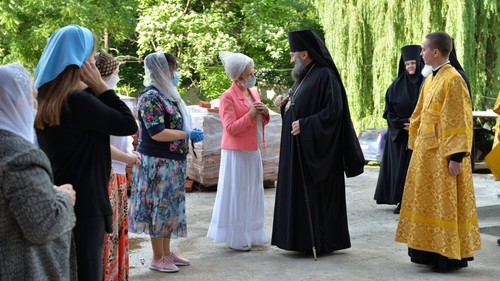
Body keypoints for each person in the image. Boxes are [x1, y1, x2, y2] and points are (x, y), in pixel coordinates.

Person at [34, 25, 138, 281]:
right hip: (87, 203)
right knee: (87, 272)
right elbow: (127, 124)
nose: (92, 62)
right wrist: (103, 87)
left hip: (60, 197)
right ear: (79, 60)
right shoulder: (79, 102)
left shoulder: (47, 97)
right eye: (90, 56)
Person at [271, 29, 364, 255]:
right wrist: (283, 103)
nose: (291, 58)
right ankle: (296, 240)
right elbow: (297, 105)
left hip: (318, 152)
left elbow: (334, 112)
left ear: (305, 54)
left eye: (294, 54)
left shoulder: (325, 75)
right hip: (298, 150)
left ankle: (322, 241)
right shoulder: (304, 77)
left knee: (315, 197)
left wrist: (307, 125)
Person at [395, 31, 481, 272]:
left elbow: (458, 119)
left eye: (423, 50)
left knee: (444, 205)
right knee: (428, 204)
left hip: (443, 156)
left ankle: (448, 256)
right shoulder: (431, 78)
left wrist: (456, 157)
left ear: (435, 52)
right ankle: (429, 253)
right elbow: (420, 112)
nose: (420, 54)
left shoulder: (453, 79)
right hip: (426, 155)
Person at [0, 63, 77, 280]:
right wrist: (63, 197)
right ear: (16, 102)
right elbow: (43, 226)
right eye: (32, 97)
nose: (36, 104)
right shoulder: (21, 156)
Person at [129, 52, 203, 273]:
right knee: (158, 209)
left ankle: (167, 252)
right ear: (162, 70)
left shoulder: (168, 94)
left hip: (173, 161)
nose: (175, 73)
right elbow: (156, 133)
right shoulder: (150, 97)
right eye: (173, 69)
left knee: (170, 209)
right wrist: (185, 134)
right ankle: (157, 256)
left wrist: (186, 133)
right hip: (157, 162)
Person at [207, 51, 270, 251]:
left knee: (253, 191)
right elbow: (231, 128)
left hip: (252, 149)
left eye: (253, 72)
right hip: (236, 152)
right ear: (238, 76)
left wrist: (265, 113)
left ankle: (252, 232)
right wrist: (251, 114)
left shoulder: (253, 92)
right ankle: (236, 236)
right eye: (249, 73)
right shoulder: (227, 96)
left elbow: (259, 120)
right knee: (238, 192)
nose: (253, 76)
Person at [95, 50, 141, 281]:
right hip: (109, 174)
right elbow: (102, 144)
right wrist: (129, 158)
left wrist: (130, 154)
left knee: (118, 232)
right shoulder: (100, 102)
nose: (118, 76)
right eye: (116, 72)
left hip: (119, 173)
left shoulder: (108, 100)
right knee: (109, 236)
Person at [374, 45, 424, 214]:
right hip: (400, 136)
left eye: (413, 63)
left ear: (419, 63)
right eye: (407, 64)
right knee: (401, 171)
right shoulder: (396, 85)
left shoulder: (427, 83)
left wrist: (416, 124)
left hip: (419, 135)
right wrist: (402, 124)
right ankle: (401, 201)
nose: (410, 67)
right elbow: (388, 111)